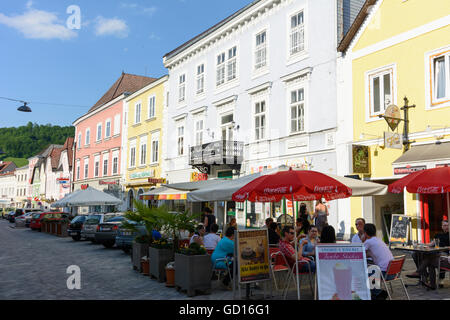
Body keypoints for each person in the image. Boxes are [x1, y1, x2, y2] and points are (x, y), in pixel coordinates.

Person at [407, 219, 449, 289]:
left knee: (430, 258)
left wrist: (446, 247)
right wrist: (421, 244)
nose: (446, 227)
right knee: (415, 254)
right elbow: (431, 244)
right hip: (436, 252)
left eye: (447, 225)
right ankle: (424, 274)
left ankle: (420, 273)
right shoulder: (438, 235)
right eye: (444, 225)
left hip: (445, 254)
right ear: (442, 226)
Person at [363, 223, 393, 299]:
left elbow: (360, 253)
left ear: (365, 233)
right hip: (393, 272)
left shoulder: (368, 242)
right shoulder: (379, 240)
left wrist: (363, 239)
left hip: (384, 273)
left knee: (364, 275)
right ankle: (375, 293)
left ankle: (378, 293)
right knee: (372, 270)